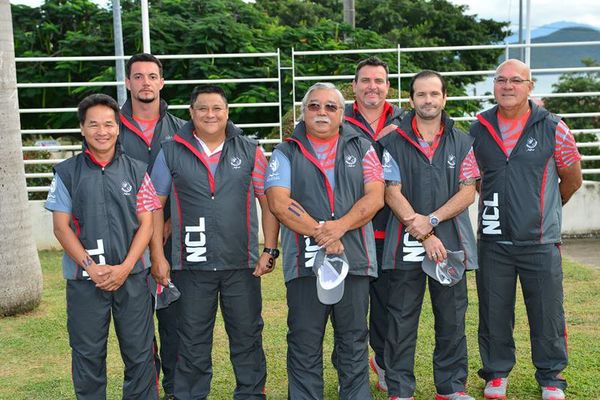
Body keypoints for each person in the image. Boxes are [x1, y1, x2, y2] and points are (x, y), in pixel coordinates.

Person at [149, 85, 279, 400]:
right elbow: (153, 205)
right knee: (192, 339)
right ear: (191, 113)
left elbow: (268, 201)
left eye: (217, 108)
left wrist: (269, 249)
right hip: (191, 263)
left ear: (227, 112)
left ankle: (250, 393)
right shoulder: (170, 150)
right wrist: (157, 256)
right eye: (203, 108)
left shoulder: (251, 149)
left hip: (241, 263)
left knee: (247, 335)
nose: (211, 114)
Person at [470, 59, 582, 400]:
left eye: (516, 80)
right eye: (501, 80)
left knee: (547, 311)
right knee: (493, 311)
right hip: (493, 240)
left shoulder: (553, 127)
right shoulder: (478, 128)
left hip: (540, 239)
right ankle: (496, 373)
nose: (507, 86)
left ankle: (550, 377)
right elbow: (473, 180)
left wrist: (543, 211)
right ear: (494, 85)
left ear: (530, 86)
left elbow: (572, 178)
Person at [265, 82, 385, 399]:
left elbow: (376, 197)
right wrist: (323, 232)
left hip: (355, 260)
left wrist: (340, 226)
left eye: (330, 106)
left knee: (354, 338)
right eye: (314, 106)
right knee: (304, 340)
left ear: (342, 114)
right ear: (303, 112)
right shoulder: (285, 151)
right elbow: (278, 202)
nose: (322, 112)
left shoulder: (363, 148)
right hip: (305, 263)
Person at [45, 93, 161, 399]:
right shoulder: (66, 173)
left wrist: (125, 268)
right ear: (82, 128)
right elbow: (61, 227)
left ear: (118, 127)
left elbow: (147, 224)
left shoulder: (137, 170)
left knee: (139, 355)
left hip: (133, 278)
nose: (102, 131)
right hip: (85, 281)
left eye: (109, 124)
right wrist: (90, 267)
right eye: (93, 124)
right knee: (88, 356)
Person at [379, 70, 479, 400]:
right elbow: (391, 191)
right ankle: (400, 389)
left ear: (444, 98)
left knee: (451, 318)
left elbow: (468, 191)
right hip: (404, 244)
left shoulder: (463, 140)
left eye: (434, 94)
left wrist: (432, 220)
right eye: (421, 95)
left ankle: (451, 388)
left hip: (450, 243)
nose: (428, 100)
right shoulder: (392, 140)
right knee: (401, 320)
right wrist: (420, 228)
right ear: (410, 100)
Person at [120, 53, 186, 400]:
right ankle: (147, 386)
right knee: (137, 326)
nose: (145, 82)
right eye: (138, 76)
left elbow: (191, 183)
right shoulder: (109, 127)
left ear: (161, 82)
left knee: (175, 321)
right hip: (126, 240)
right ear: (128, 83)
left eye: (152, 76)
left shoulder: (180, 128)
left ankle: (177, 389)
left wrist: (171, 221)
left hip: (171, 238)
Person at [344, 56, 406, 392]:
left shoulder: (405, 119)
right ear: (354, 86)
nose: (372, 87)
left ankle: (383, 363)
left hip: (392, 231)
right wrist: (378, 140)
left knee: (389, 308)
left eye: (379, 81)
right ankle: (350, 377)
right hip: (351, 230)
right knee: (350, 311)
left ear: (388, 86)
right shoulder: (336, 118)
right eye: (365, 80)